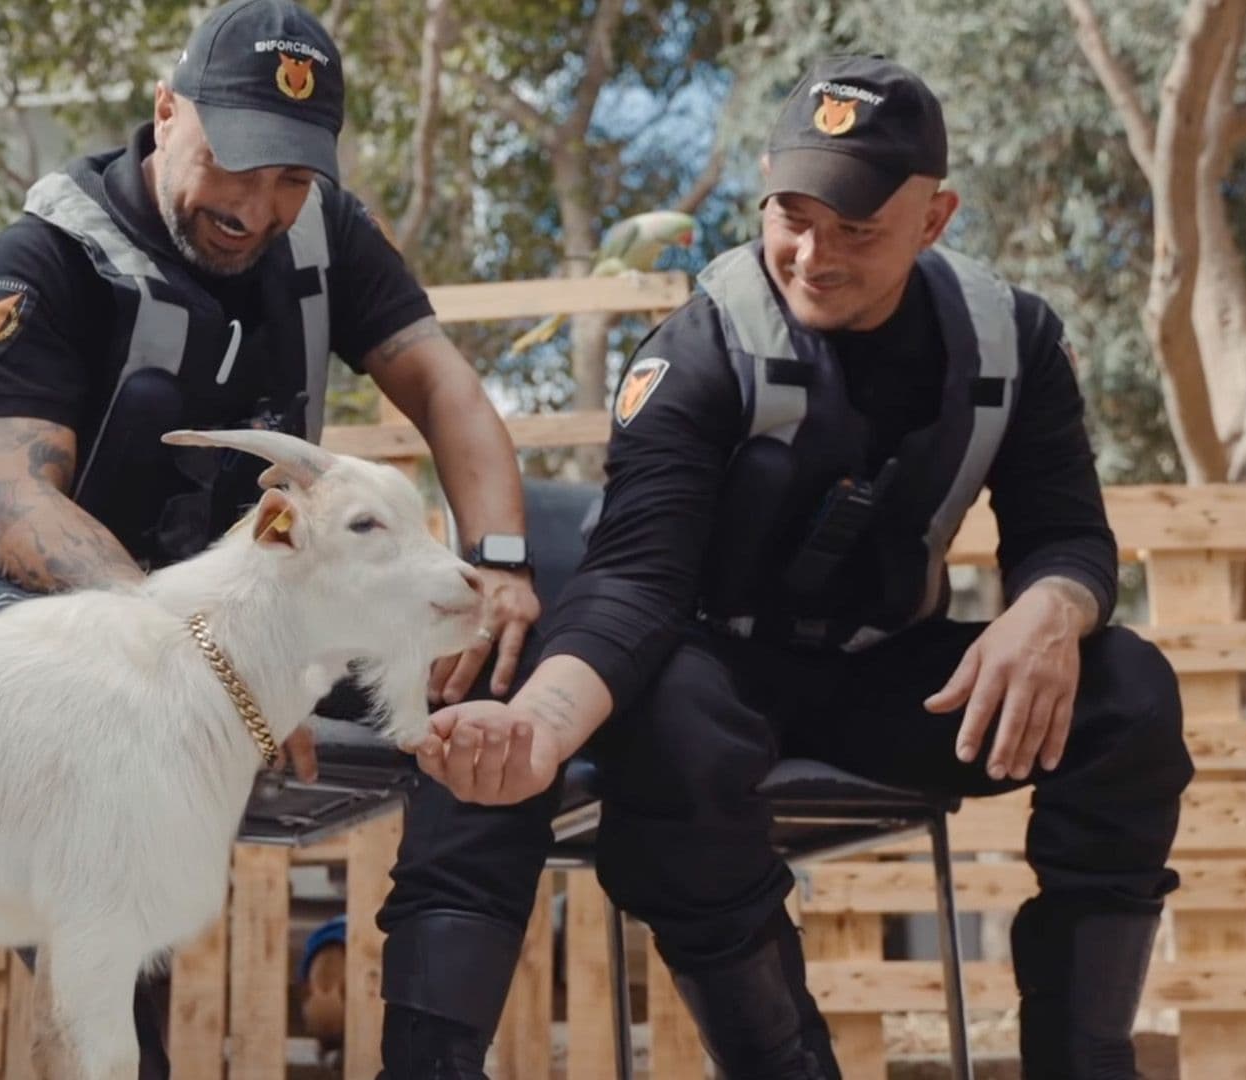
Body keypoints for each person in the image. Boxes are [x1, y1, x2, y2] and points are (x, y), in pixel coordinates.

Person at [380, 55, 1195, 1080]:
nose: (813, 254)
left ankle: (1084, 1061)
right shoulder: (698, 350)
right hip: (712, 669)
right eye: (793, 216)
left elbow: (1068, 533)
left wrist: (1052, 608)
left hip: (889, 675)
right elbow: (635, 582)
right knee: (675, 723)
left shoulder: (1014, 342)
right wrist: (540, 730)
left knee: (1129, 692)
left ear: (934, 219)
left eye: (857, 230)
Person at [0, 0, 539, 1072]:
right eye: (233, 166)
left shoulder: (327, 231)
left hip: (275, 621)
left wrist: (500, 565)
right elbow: (20, 509)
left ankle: (431, 1059)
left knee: (494, 696)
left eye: (289, 178)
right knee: (95, 747)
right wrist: (199, 667)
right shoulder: (49, 253)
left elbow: (443, 386)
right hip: (74, 623)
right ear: (167, 113)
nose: (256, 209)